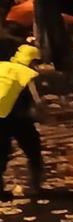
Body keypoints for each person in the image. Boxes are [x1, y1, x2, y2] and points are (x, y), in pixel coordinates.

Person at [0, 45, 43, 201]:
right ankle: (35, 187)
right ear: (31, 61)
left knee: (1, 153)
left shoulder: (2, 66)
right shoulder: (27, 74)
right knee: (33, 150)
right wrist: (46, 116)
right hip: (17, 118)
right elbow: (37, 103)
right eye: (36, 62)